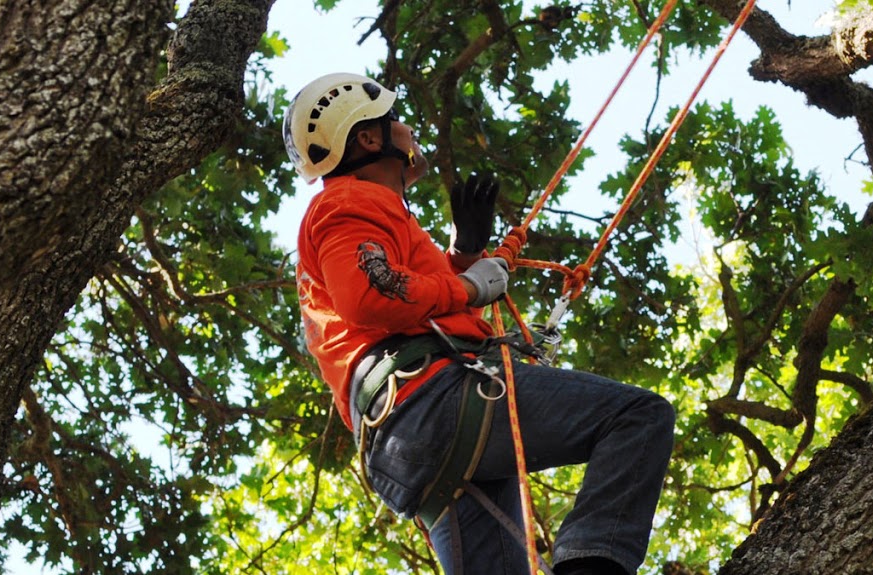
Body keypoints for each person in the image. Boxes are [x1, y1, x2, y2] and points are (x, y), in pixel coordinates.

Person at [285, 72, 675, 575]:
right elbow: (369, 296)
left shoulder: (370, 213)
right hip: (429, 404)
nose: (406, 128)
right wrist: (471, 287)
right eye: (393, 120)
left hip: (408, 445)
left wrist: (463, 255)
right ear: (366, 136)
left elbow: (406, 299)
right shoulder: (349, 202)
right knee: (637, 419)